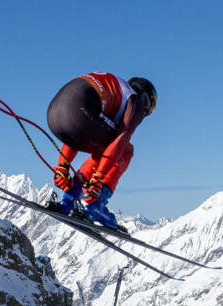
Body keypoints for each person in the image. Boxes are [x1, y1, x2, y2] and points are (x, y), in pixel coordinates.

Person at [45, 72, 156, 232]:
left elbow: (76, 132)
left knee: (102, 146)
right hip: (80, 112)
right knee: (125, 150)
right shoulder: (134, 101)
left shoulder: (114, 88)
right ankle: (96, 205)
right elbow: (120, 141)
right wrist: (98, 178)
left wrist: (62, 166)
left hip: (54, 115)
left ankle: (68, 200)